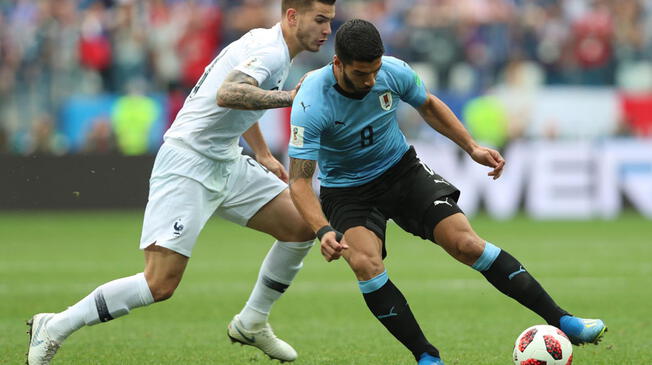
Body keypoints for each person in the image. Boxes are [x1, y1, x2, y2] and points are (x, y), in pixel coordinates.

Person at [26, 1, 336, 364]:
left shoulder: (270, 47)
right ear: (292, 16)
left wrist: (263, 153)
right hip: (188, 162)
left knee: (300, 225)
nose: (327, 30)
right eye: (320, 20)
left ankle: (252, 321)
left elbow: (237, 99)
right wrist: (291, 98)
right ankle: (55, 326)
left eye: (329, 21)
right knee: (159, 283)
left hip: (224, 159)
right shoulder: (268, 52)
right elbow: (229, 93)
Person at [287, 19, 607, 365]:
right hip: (347, 190)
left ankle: (563, 320)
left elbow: (428, 104)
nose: (370, 81)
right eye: (361, 73)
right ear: (338, 64)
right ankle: (427, 356)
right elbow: (300, 181)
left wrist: (471, 147)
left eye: (374, 71)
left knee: (467, 243)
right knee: (366, 263)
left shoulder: (392, 71)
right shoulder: (311, 103)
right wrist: (323, 230)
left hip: (401, 171)